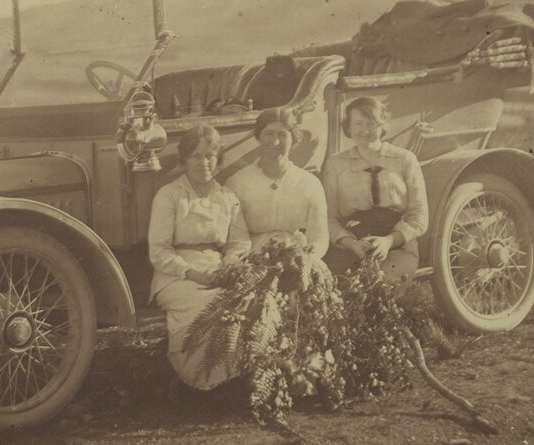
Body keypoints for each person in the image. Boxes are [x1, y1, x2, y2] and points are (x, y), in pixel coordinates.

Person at [149, 124, 251, 390]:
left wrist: (229, 267)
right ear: (184, 159)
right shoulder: (170, 195)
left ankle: (232, 378)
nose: (203, 163)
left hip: (218, 269)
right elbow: (159, 250)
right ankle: (203, 381)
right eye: (196, 156)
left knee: (244, 301)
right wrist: (194, 273)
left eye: (210, 156)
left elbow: (239, 242)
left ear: (218, 159)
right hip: (176, 275)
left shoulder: (227, 196)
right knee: (207, 305)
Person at [322, 96, 428, 283]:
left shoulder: (404, 159)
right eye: (358, 123)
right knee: (337, 284)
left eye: (371, 123)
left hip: (396, 239)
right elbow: (329, 217)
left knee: (381, 283)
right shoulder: (336, 163)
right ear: (348, 127)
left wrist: (388, 241)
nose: (364, 130)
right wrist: (351, 243)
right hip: (353, 239)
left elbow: (419, 214)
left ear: (382, 125)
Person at [225, 107, 329, 257]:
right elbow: (236, 241)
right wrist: (245, 263)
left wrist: (308, 257)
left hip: (298, 255)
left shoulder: (310, 183)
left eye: (283, 135)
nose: (275, 142)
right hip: (253, 256)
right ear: (258, 137)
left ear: (293, 139)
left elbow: (319, 237)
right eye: (268, 134)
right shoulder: (237, 183)